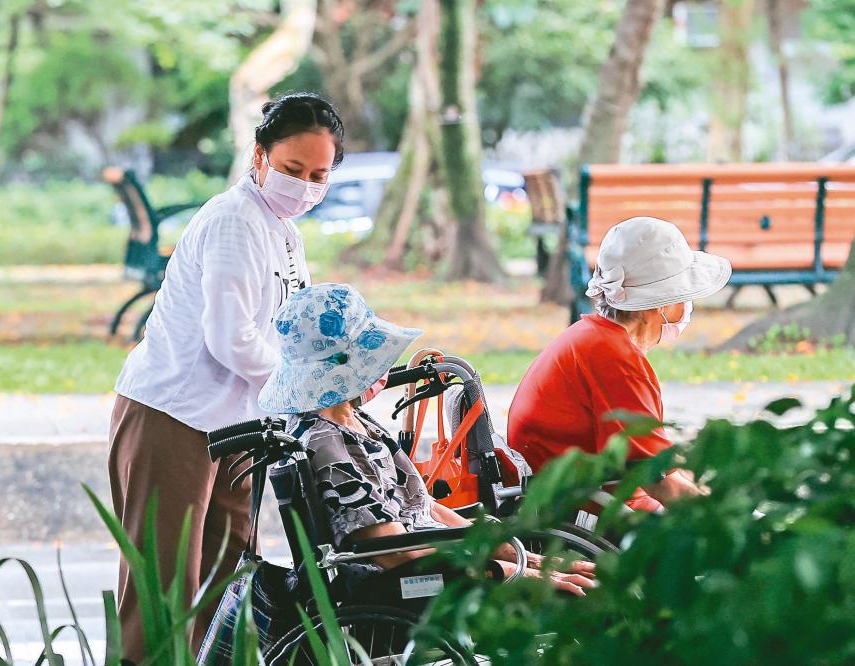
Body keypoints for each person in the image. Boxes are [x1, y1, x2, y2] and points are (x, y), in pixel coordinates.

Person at [108, 93, 344, 660]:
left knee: (221, 587)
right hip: (175, 417)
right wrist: (308, 392)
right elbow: (230, 337)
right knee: (164, 595)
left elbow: (295, 325)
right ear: (259, 156)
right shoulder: (235, 220)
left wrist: (347, 370)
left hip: (239, 424)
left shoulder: (285, 230)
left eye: (318, 175)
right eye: (292, 170)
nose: (304, 186)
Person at [258, 283, 597, 594]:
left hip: (426, 558)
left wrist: (499, 546)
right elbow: (393, 553)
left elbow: (424, 505)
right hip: (410, 581)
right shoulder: (327, 444)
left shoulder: (352, 421)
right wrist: (508, 569)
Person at [508, 216, 732, 512]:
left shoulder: (591, 337)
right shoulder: (615, 358)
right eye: (684, 295)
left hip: (565, 490)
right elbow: (655, 480)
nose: (687, 305)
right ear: (661, 303)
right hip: (588, 507)